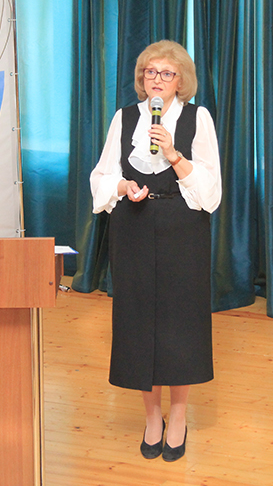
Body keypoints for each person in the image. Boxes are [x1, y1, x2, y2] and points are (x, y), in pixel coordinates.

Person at [89, 39, 222, 462]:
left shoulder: (198, 118)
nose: (157, 80)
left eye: (166, 73)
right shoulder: (125, 118)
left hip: (183, 230)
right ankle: (151, 418)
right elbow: (101, 176)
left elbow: (210, 193)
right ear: (142, 79)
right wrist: (122, 186)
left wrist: (173, 153)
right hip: (134, 228)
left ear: (181, 81)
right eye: (150, 72)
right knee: (138, 322)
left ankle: (178, 417)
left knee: (180, 325)